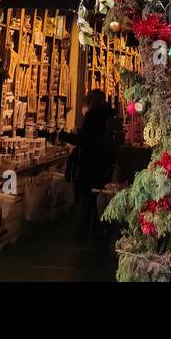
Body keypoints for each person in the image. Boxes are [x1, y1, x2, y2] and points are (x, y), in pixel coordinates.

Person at [61, 89, 117, 240]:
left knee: (86, 198)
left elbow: (85, 140)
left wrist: (64, 135)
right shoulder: (108, 115)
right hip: (103, 162)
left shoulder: (93, 117)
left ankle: (84, 231)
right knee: (93, 197)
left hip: (90, 162)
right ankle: (96, 229)